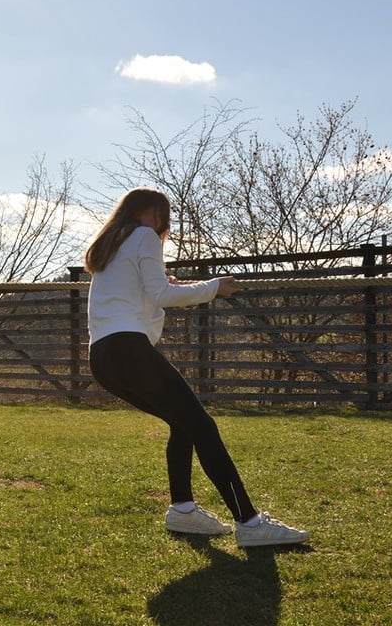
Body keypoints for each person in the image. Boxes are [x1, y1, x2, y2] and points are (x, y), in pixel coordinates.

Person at [85, 188, 309, 547]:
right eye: (160, 215)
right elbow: (162, 296)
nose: (161, 224)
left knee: (184, 423)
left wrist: (171, 287)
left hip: (103, 357)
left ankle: (183, 510)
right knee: (202, 425)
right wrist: (214, 286)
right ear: (145, 213)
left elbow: (141, 296)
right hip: (129, 350)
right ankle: (250, 523)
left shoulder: (111, 247)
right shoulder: (143, 235)